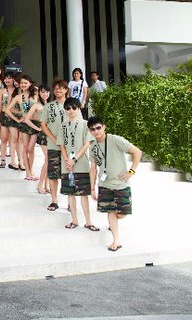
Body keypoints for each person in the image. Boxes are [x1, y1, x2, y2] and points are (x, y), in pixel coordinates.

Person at [87, 117, 142, 251]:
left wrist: (131, 171)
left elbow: (137, 152)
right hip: (104, 184)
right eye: (93, 129)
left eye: (98, 128)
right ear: (90, 131)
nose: (96, 131)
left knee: (122, 213)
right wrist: (92, 188)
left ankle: (113, 224)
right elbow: (93, 169)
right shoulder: (93, 147)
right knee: (110, 211)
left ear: (104, 127)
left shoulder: (115, 140)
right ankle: (116, 240)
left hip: (121, 184)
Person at [56, 97, 96, 231]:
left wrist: (74, 159)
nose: (71, 110)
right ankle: (74, 220)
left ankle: (88, 222)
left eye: (74, 108)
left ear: (79, 109)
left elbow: (87, 143)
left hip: (81, 164)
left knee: (83, 194)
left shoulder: (85, 124)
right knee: (70, 194)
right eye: (68, 108)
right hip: (67, 165)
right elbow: (61, 144)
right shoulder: (63, 125)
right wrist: (67, 160)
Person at [40, 79, 69, 212]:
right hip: (53, 145)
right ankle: (54, 200)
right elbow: (43, 124)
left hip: (69, 147)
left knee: (68, 174)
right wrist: (53, 138)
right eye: (56, 88)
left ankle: (70, 201)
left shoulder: (72, 105)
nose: (58, 90)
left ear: (66, 90)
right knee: (53, 174)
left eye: (61, 88)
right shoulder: (49, 106)